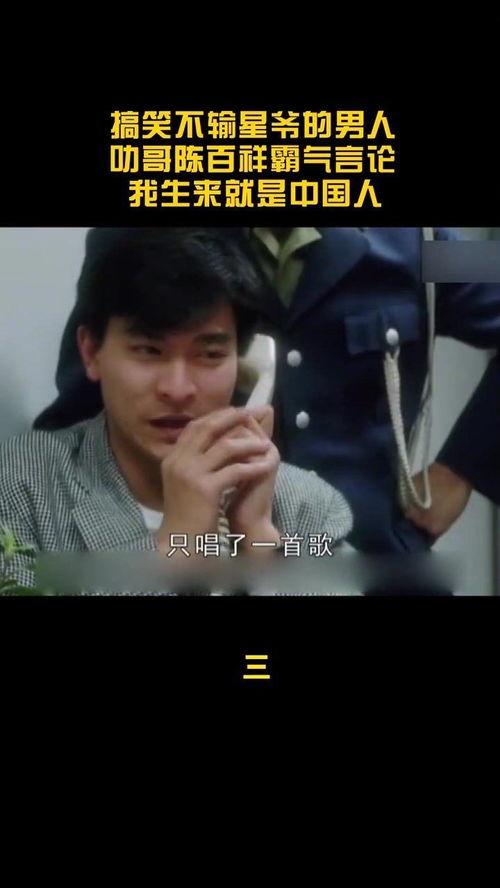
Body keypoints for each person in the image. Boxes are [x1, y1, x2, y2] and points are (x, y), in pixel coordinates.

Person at [35, 226, 500, 555]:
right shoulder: (139, 235)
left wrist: (462, 468)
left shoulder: (421, 240)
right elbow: (83, 411)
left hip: (371, 558)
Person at [0, 228, 352, 593]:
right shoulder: (20, 488)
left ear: (243, 360)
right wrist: (175, 548)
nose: (178, 389)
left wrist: (259, 544)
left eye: (210, 355)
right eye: (149, 351)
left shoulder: (307, 506)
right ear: (91, 352)